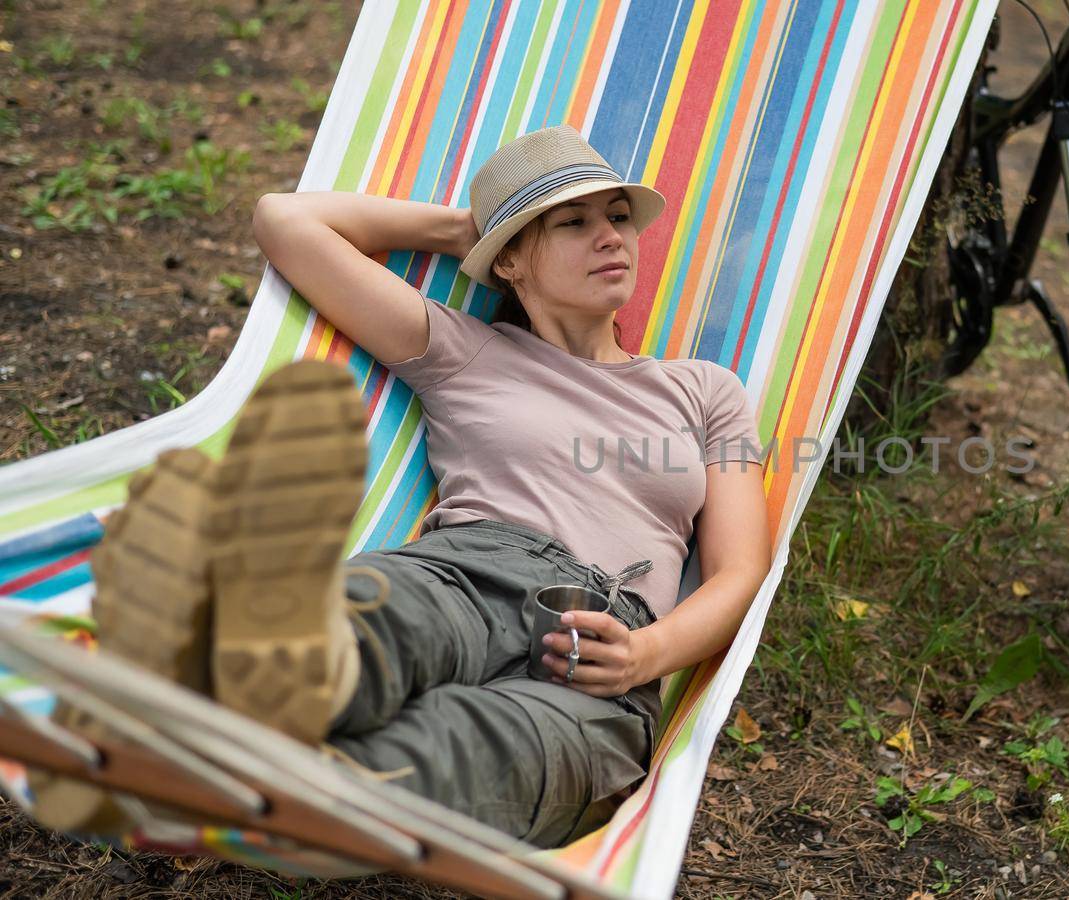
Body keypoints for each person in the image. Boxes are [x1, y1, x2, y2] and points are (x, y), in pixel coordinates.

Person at [28, 125, 771, 848]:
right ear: (509, 261)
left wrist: (647, 654)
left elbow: (741, 570)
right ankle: (179, 711)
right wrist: (467, 233)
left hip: (608, 654)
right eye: (570, 222)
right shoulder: (463, 348)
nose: (612, 236)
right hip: (468, 575)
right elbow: (284, 220)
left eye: (616, 216)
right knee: (341, 635)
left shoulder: (705, 391)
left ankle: (221, 780)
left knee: (459, 758)